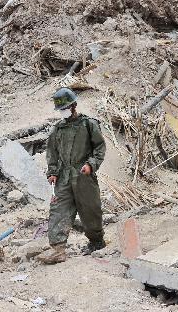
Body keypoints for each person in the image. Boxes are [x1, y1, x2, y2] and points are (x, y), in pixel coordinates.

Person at [36, 88, 107, 264]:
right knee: (58, 210)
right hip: (63, 176)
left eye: (66, 108)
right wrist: (52, 171)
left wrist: (91, 165)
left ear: (74, 105)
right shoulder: (57, 129)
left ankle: (97, 242)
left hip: (83, 174)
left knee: (90, 209)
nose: (63, 112)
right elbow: (51, 152)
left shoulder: (89, 124)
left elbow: (99, 147)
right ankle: (58, 249)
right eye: (61, 109)